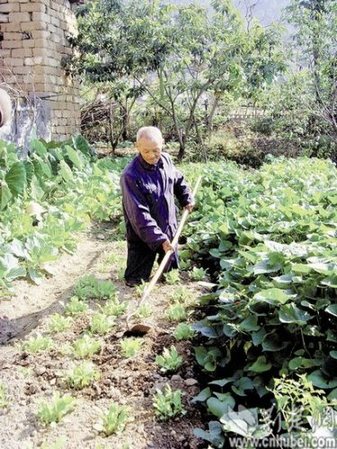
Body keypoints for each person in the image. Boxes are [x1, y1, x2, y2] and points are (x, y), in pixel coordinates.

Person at [120, 126, 194, 287]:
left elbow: (177, 179)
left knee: (171, 275)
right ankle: (139, 274)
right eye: (146, 151)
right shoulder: (130, 176)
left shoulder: (166, 160)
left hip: (168, 224)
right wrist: (158, 238)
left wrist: (186, 198)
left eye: (156, 150)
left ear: (163, 144)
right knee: (135, 280)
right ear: (137, 147)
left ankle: (166, 272)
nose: (152, 155)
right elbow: (138, 214)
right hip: (143, 232)